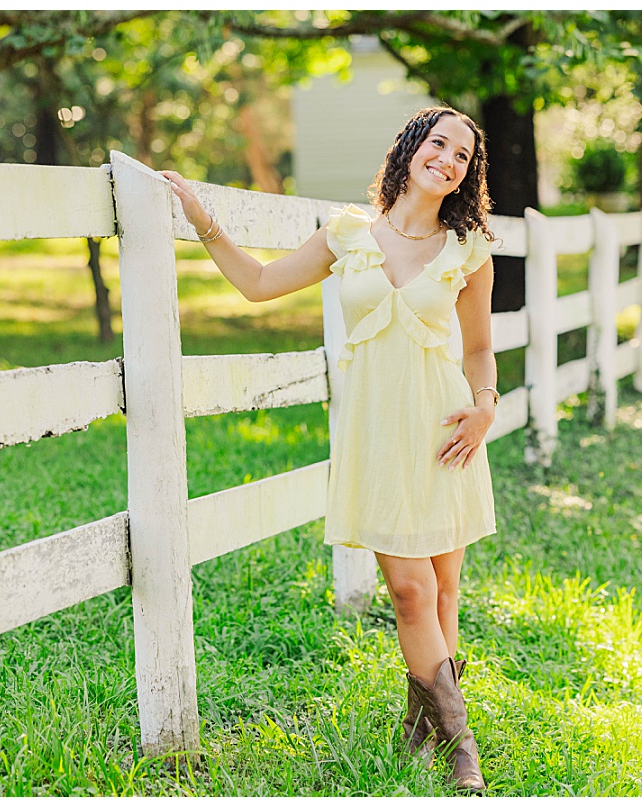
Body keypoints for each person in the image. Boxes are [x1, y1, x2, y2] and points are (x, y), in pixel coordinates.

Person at [161, 106, 498, 793]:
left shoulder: (469, 249)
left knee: (443, 592)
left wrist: (486, 407)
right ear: (410, 148)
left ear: (467, 174)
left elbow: (480, 349)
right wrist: (203, 222)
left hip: (444, 433)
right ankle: (463, 748)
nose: (448, 159)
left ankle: (419, 729)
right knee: (410, 591)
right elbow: (258, 285)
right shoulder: (349, 235)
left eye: (462, 155)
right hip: (376, 433)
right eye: (439, 143)